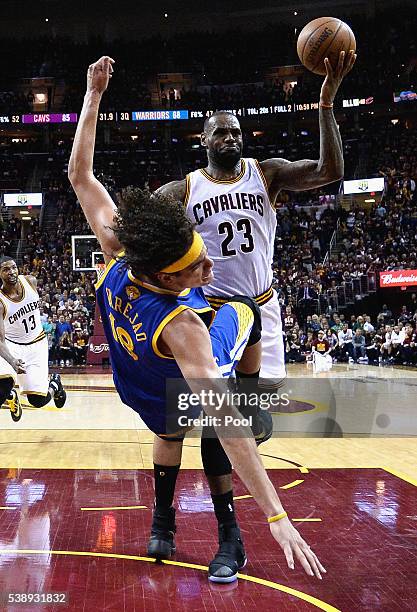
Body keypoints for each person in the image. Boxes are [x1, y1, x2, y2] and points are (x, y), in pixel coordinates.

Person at [68, 56, 325, 584]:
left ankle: (163, 524)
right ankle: (250, 405)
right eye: (196, 267)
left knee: (169, 428)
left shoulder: (120, 252)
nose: (210, 268)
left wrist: (93, 95)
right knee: (244, 310)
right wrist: (277, 515)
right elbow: (229, 426)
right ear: (168, 280)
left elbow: (80, 175)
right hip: (176, 357)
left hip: (135, 385)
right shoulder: (186, 328)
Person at [157, 49, 356, 415]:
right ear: (203, 140)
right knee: (212, 409)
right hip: (210, 309)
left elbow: (330, 170)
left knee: (258, 412)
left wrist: (325, 103)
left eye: (235, 132)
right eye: (221, 132)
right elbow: (139, 231)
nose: (230, 137)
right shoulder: (181, 190)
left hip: (262, 305)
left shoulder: (267, 173)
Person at [0, 257, 67, 415]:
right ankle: (9, 395)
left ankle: (55, 385)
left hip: (37, 345)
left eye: (14, 267)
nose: (12, 272)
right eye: (6, 269)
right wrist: (12, 360)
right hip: (12, 346)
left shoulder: (31, 281)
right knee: (2, 386)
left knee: (37, 401)